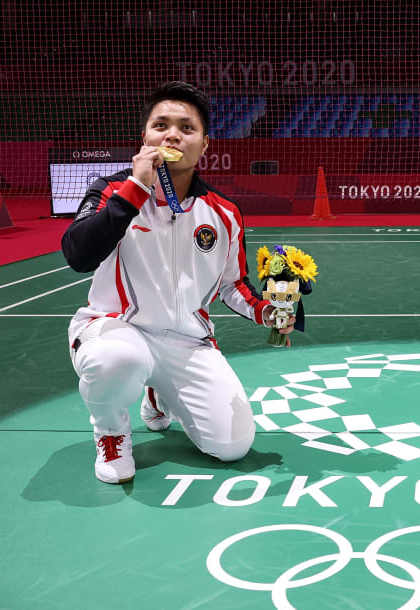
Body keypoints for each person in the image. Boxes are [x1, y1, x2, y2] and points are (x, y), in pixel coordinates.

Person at [61, 81, 296, 484]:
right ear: (145, 138)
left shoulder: (223, 214)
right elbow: (77, 255)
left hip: (187, 342)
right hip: (117, 330)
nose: (172, 134)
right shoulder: (112, 190)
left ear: (205, 145)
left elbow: (231, 285)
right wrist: (135, 190)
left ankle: (158, 392)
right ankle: (112, 435)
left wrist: (266, 311)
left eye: (187, 128)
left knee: (232, 446)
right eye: (161, 125)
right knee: (119, 359)